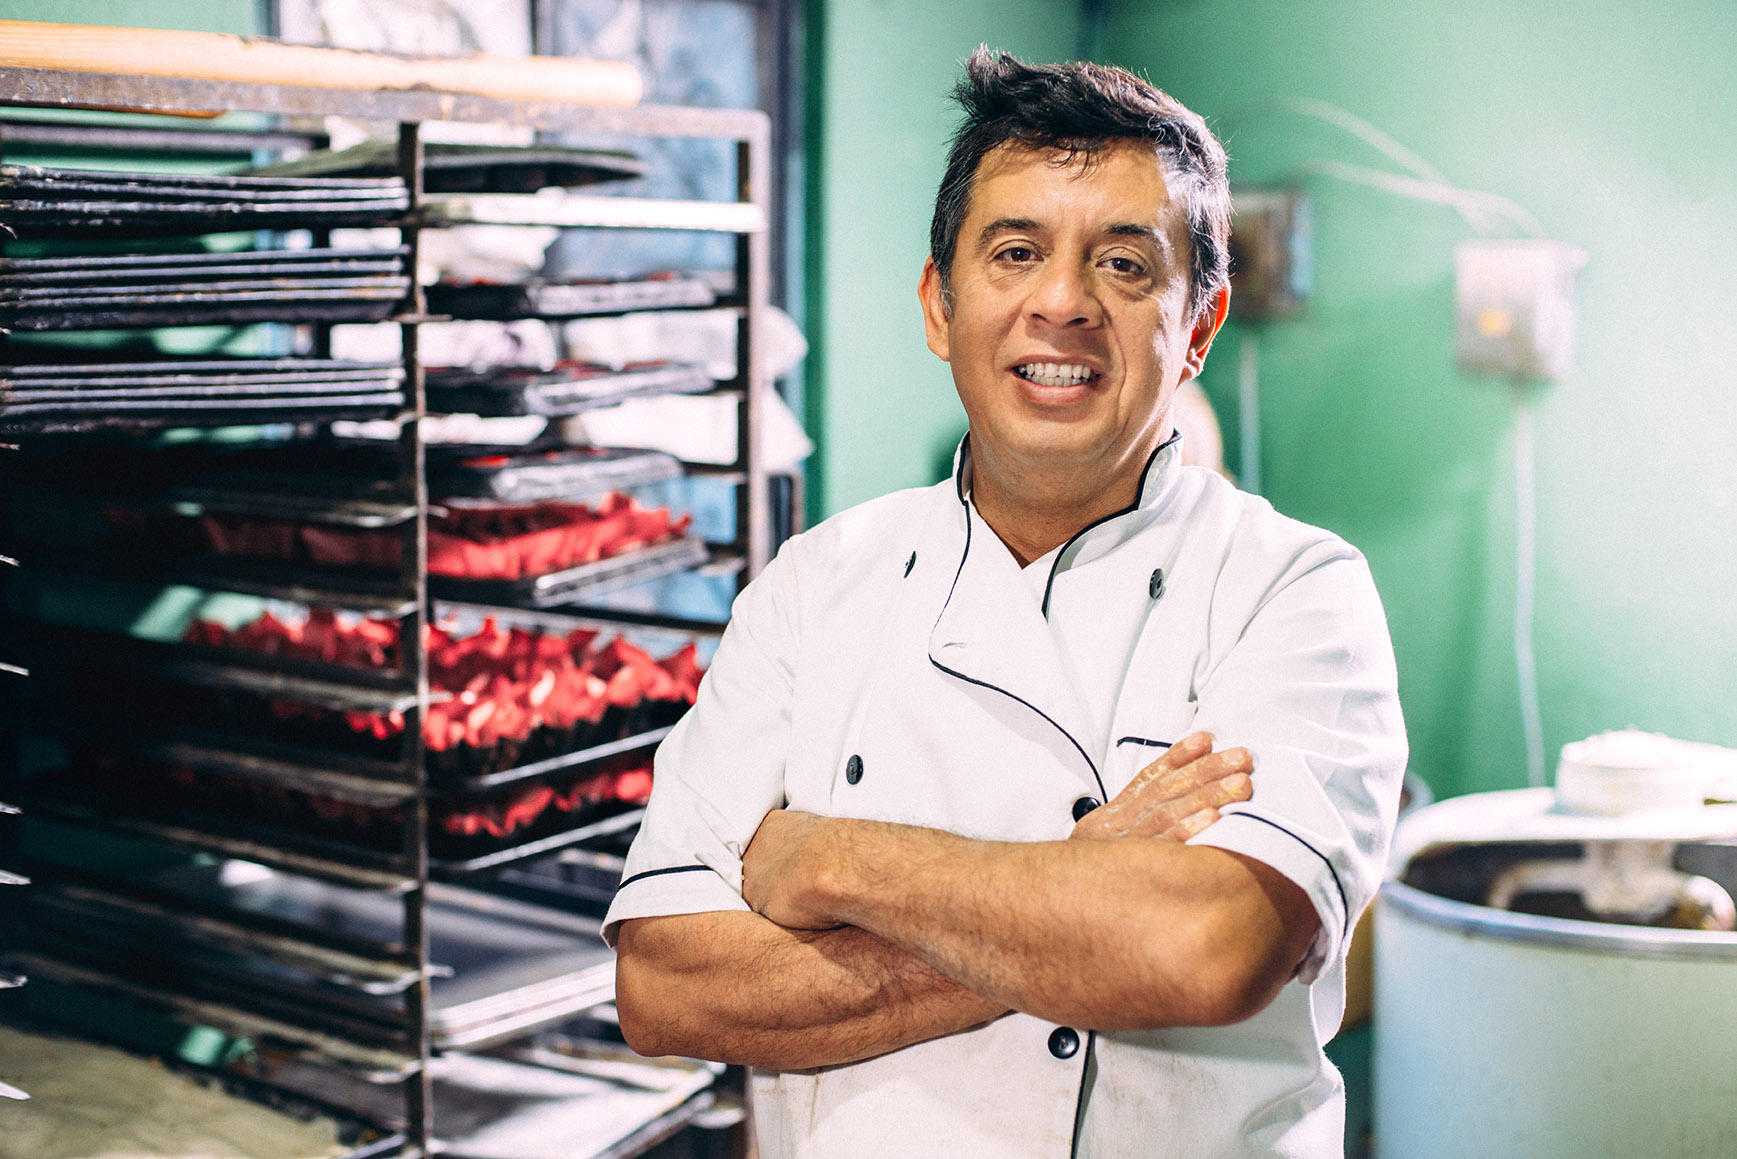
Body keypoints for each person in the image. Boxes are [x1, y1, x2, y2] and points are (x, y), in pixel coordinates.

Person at [604, 49, 1407, 1158]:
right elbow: (664, 986)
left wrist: (830, 860)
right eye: (1016, 252)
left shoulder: (1292, 588)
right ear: (940, 306)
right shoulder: (813, 587)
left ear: (1201, 329)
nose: (1063, 303)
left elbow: (1206, 948)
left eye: (1125, 266)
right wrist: (1083, 896)